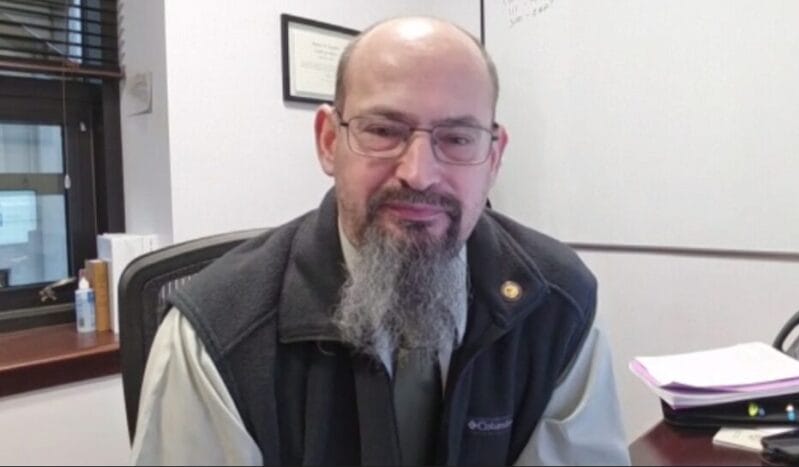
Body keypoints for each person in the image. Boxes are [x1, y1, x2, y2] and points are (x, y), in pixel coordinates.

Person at [130, 16, 630, 466]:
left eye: (457, 138)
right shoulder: (216, 337)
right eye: (384, 130)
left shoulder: (558, 306)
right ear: (330, 141)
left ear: (493, 158)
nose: (419, 173)